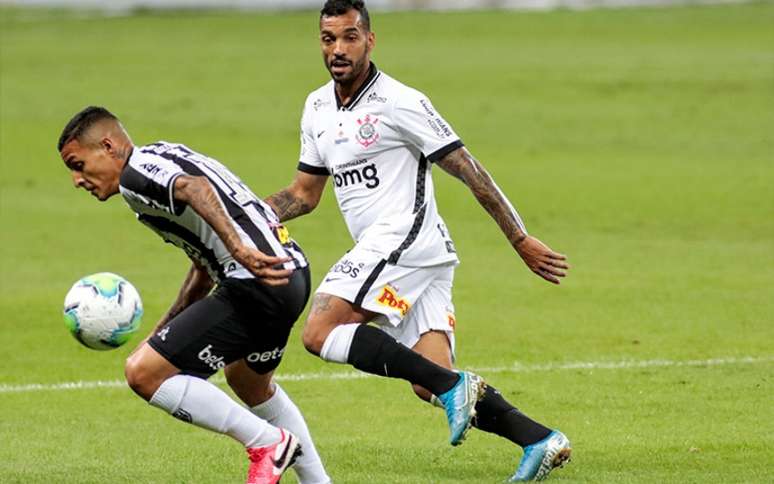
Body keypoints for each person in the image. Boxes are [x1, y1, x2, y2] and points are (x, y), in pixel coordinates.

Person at [263, 1, 572, 481]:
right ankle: (540, 440)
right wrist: (244, 217)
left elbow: (469, 170)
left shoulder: (400, 102)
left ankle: (458, 391)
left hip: (403, 238)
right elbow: (304, 194)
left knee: (318, 333)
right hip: (418, 254)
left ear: (370, 39)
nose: (338, 49)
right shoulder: (317, 107)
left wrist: (519, 237)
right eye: (329, 39)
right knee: (431, 381)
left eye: (349, 37)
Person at [57, 106, 331, 484]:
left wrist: (236, 248)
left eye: (78, 164)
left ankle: (267, 444)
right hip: (290, 275)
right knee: (250, 383)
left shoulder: (136, 176)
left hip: (254, 281)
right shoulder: (160, 158)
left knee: (142, 374)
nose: (76, 179)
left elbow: (195, 188)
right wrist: (165, 327)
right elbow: (202, 262)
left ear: (108, 146)